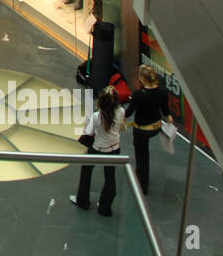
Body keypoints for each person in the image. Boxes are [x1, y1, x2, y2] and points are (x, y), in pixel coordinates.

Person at [71, 85, 125, 216]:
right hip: (114, 148)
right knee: (110, 176)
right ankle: (104, 207)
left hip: (98, 148)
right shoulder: (121, 111)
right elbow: (121, 127)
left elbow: (89, 132)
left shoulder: (96, 116)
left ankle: (82, 201)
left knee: (86, 170)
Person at [123, 65, 173, 195]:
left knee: (142, 156)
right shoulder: (163, 92)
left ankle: (142, 185)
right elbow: (166, 113)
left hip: (142, 130)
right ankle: (142, 180)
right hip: (156, 127)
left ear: (142, 79)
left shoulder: (138, 95)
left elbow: (128, 113)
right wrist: (169, 121)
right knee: (143, 155)